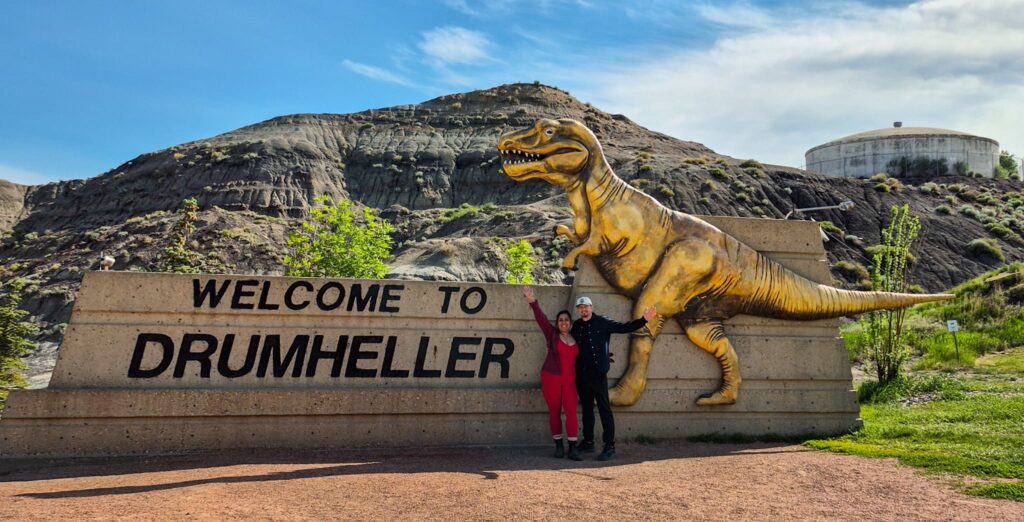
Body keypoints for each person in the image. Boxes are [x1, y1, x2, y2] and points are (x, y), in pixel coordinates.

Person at [572, 296, 656, 461]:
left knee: (604, 409)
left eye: (586, 307)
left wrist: (643, 320)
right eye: (580, 308)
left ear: (591, 307)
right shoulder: (576, 326)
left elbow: (623, 327)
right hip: (581, 374)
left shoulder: (602, 322)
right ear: (578, 310)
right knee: (587, 409)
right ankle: (588, 441)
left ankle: (609, 445)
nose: (584, 310)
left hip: (598, 374)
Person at [522, 286, 582, 461]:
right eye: (560, 320)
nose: (563, 322)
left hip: (570, 382)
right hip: (551, 379)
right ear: (557, 324)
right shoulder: (552, 335)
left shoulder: (576, 339)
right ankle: (558, 446)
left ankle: (573, 448)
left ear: (571, 324)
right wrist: (532, 300)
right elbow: (541, 319)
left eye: (566, 320)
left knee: (571, 412)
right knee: (554, 412)